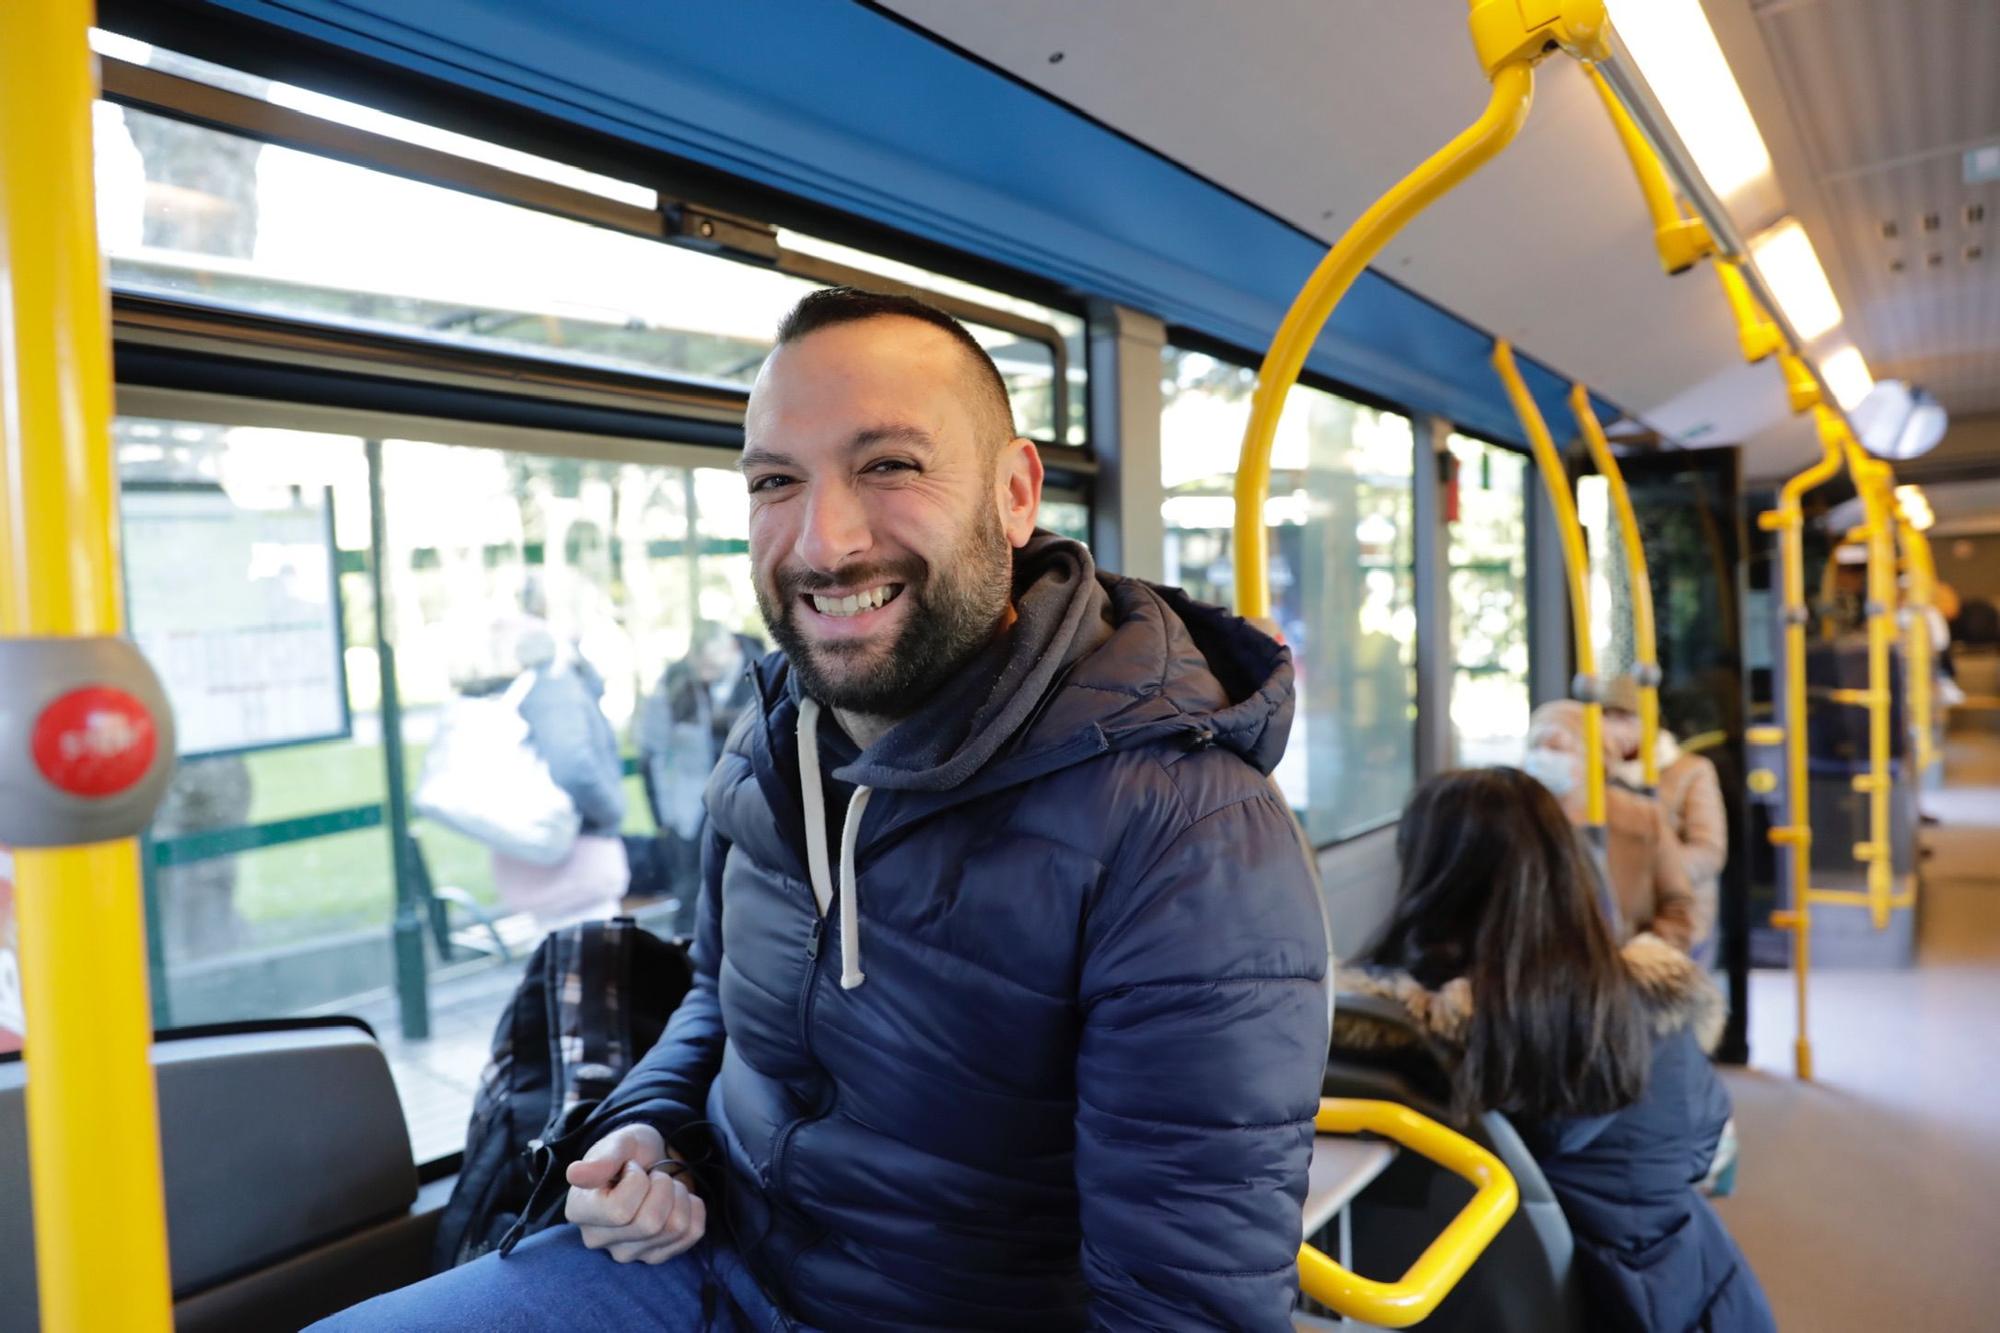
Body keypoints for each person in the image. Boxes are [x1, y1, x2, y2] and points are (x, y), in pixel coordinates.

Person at [314, 288, 1329, 1331]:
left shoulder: (1183, 831)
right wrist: (652, 1129)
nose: (822, 540)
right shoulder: (771, 741)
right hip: (709, 1265)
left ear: (1014, 492)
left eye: (887, 465)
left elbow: (1182, 1305)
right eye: (775, 480)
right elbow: (718, 995)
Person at [1334, 767, 1775, 1332]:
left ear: (1423, 871)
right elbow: (1701, 1150)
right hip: (1633, 1296)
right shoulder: (1644, 1018)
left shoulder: (1364, 1034)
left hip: (1429, 1297)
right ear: (1564, 866)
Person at [1525, 698, 1696, 951]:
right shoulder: (1517, 817)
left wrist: (1640, 964)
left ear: (1594, 756)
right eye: (1535, 747)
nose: (1544, 758)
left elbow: (1677, 906)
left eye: (1556, 747)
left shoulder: (1642, 819)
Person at [491, 621, 631, 928]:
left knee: (565, 962)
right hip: (576, 857)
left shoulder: (518, 692)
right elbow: (573, 768)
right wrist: (611, 813)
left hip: (541, 854)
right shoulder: (555, 688)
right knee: (592, 965)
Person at [631, 621, 767, 914]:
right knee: (692, 894)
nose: (705, 675)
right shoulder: (676, 681)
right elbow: (653, 752)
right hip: (690, 810)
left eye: (712, 667)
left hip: (749, 803)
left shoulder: (764, 673)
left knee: (747, 892)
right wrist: (663, 815)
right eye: (699, 667)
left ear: (731, 649)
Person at [1598, 680, 1728, 965]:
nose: (1613, 727)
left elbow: (1709, 850)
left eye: (1624, 717)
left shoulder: (1690, 771)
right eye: (1605, 717)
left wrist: (1653, 871)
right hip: (1614, 917)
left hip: (1675, 914)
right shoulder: (1591, 774)